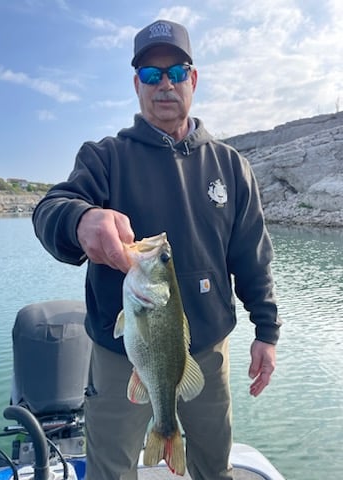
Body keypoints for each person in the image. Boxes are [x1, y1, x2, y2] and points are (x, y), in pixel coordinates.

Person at [33, 19, 281, 480]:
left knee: (214, 467)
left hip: (208, 351)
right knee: (111, 470)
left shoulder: (231, 166)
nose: (164, 84)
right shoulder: (104, 157)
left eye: (176, 72)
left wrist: (266, 331)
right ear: (136, 85)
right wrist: (81, 218)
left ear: (193, 79)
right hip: (119, 354)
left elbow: (252, 256)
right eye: (151, 74)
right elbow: (50, 209)